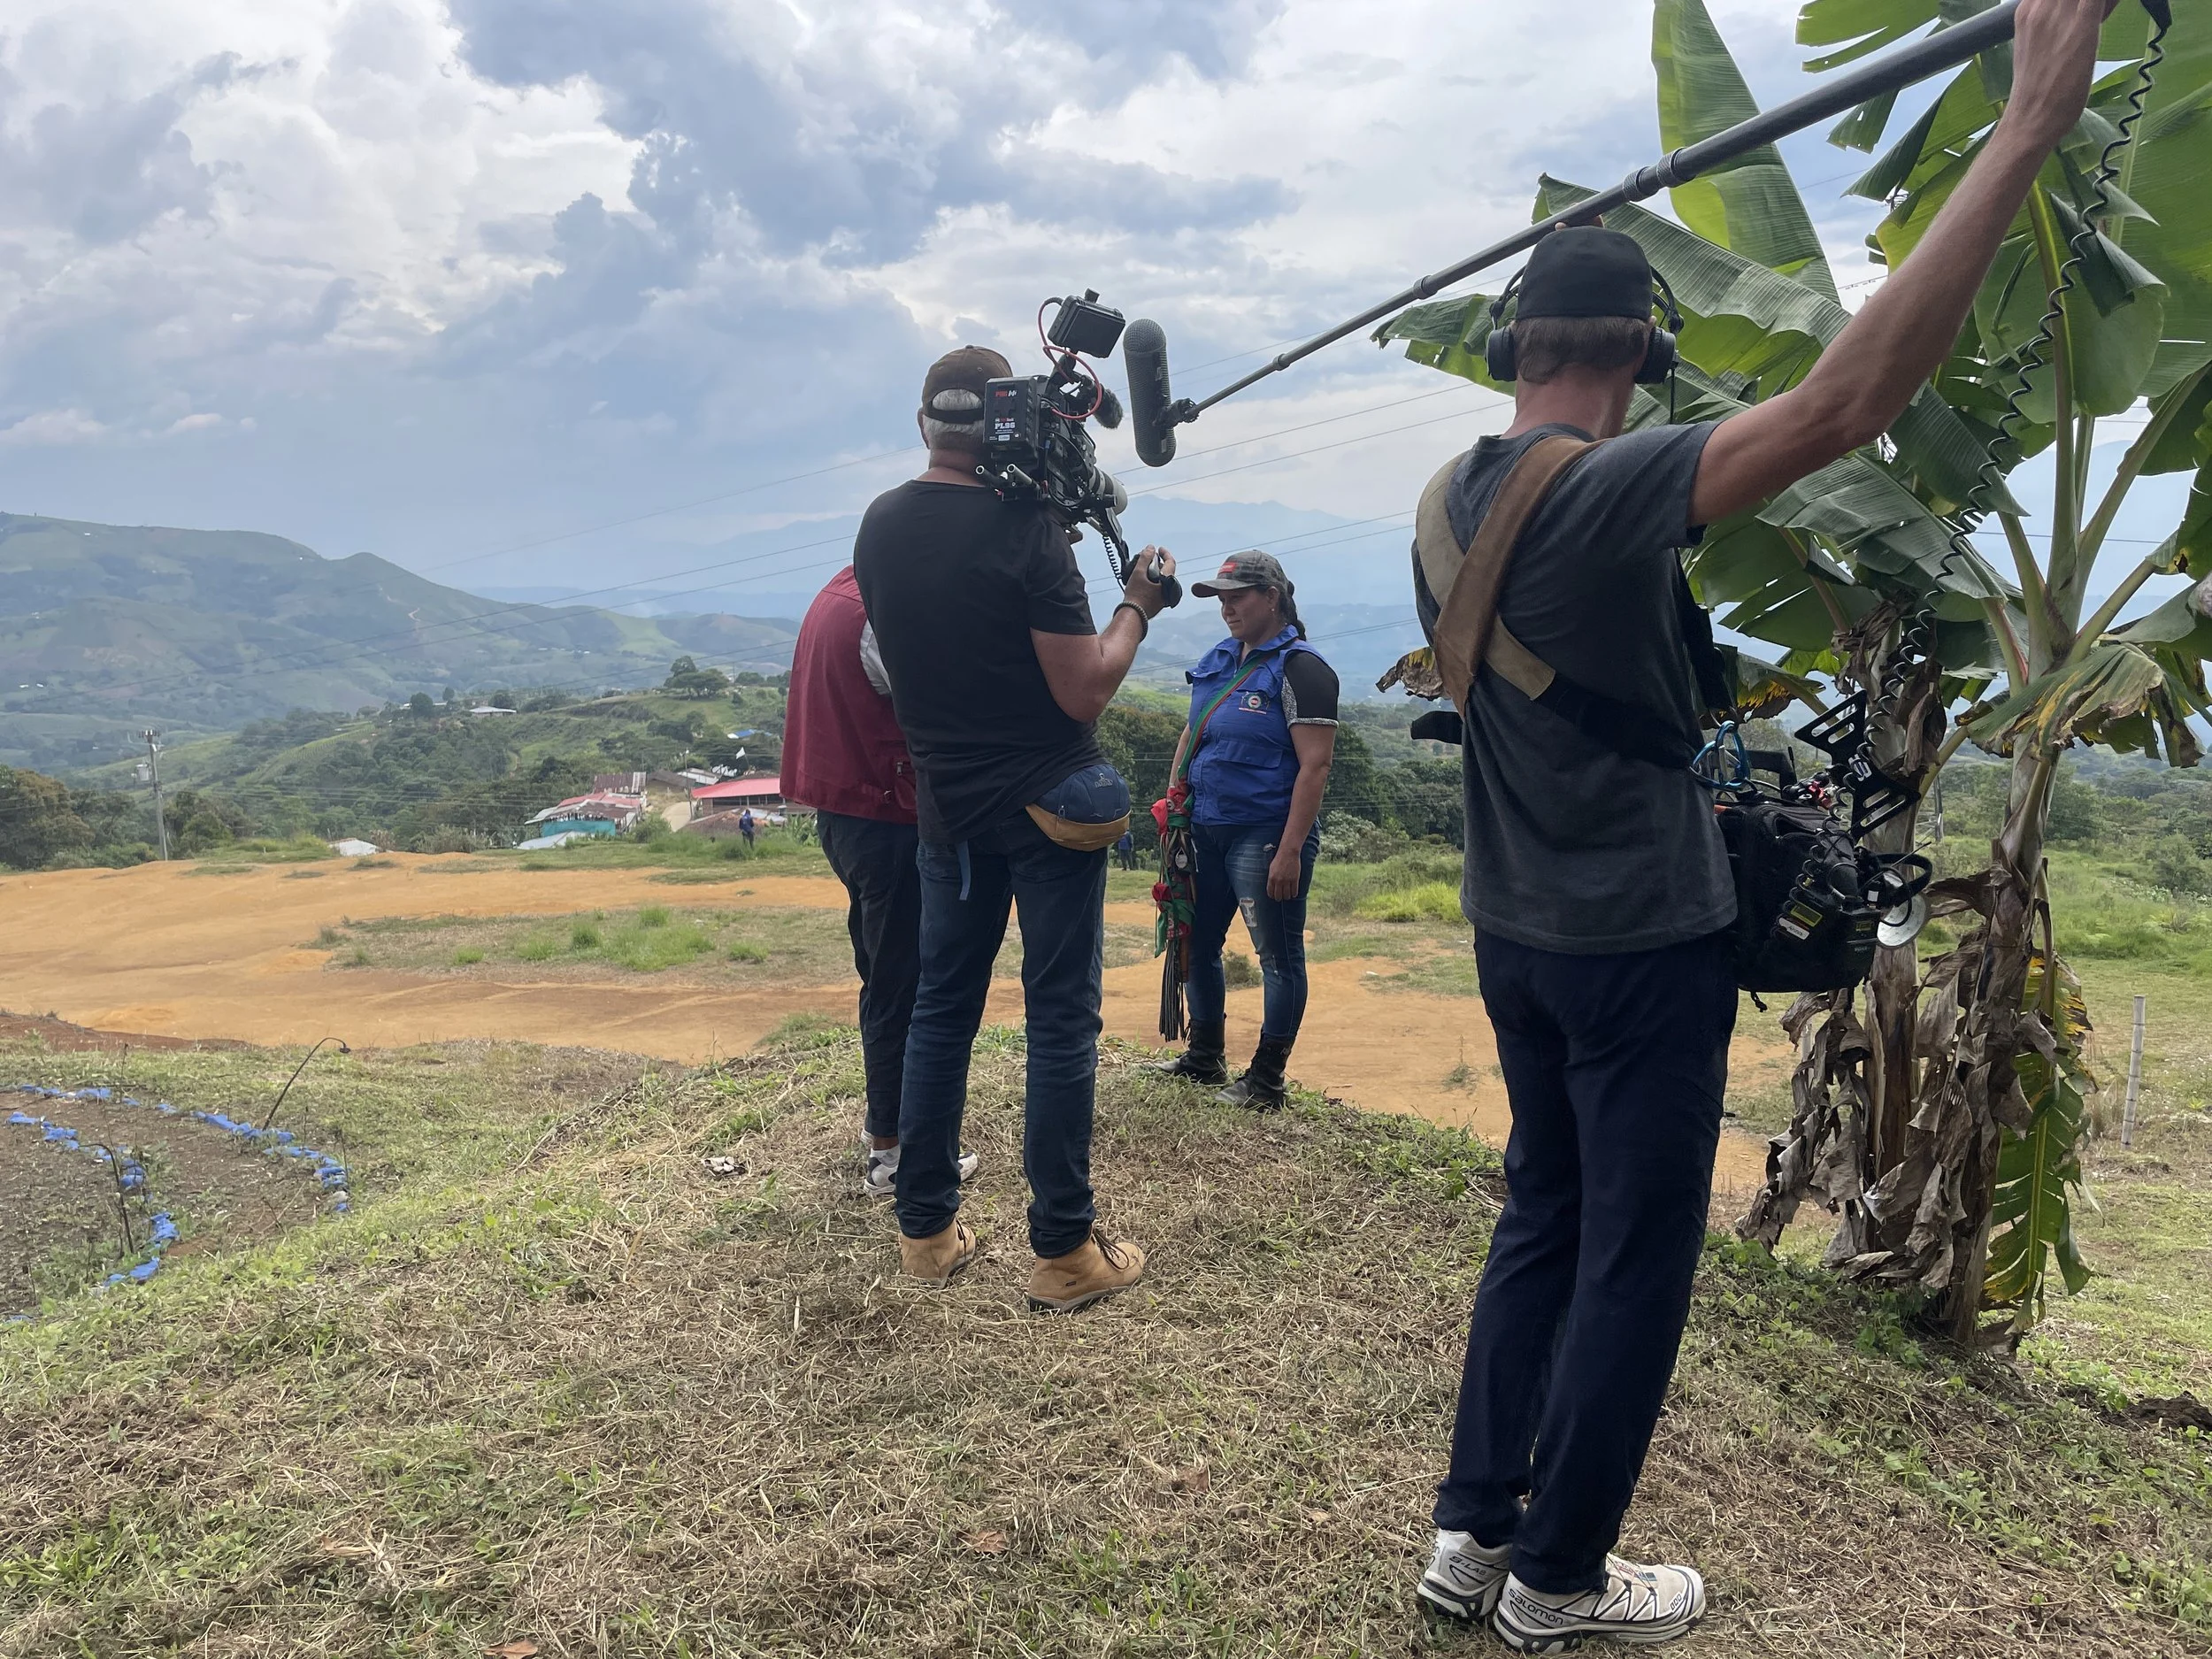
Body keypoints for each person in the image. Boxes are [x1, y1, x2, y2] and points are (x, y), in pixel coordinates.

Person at [1409, 2, 2116, 1647]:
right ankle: (1562, 1585)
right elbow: (1846, 401)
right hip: (1633, 944)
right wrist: (2021, 131)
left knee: (1544, 1216)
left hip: (1513, 929)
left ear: (1518, 345)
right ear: (1644, 352)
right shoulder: (1600, 490)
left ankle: (1471, 1536)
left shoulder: (1448, 492)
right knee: (1633, 1255)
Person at [854, 344, 1177, 1310]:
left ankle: (926, 1234)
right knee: (1059, 1019)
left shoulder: (878, 525)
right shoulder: (1027, 528)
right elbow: (1084, 682)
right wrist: (1137, 603)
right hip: (1046, 807)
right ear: (1021, 421)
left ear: (924, 425)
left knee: (941, 1011)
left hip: (946, 810)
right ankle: (1065, 1253)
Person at [781, 564, 979, 1201]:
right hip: (886, 817)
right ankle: (894, 1154)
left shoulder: (839, 595)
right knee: (903, 984)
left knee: (886, 976)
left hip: (848, 816)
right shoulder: (881, 613)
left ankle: (891, 1137)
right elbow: (938, 699)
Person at [1150, 551, 1337, 1110]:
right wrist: (1173, 801)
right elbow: (1192, 733)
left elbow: (1315, 766)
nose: (1227, 608)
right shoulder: (1218, 659)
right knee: (1197, 943)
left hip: (1264, 835)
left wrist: (1291, 849)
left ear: (1272, 598)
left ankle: (1266, 1079)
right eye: (1221, 598)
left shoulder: (1302, 669)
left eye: (1239, 597)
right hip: (1203, 828)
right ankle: (1205, 1057)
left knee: (1276, 956)